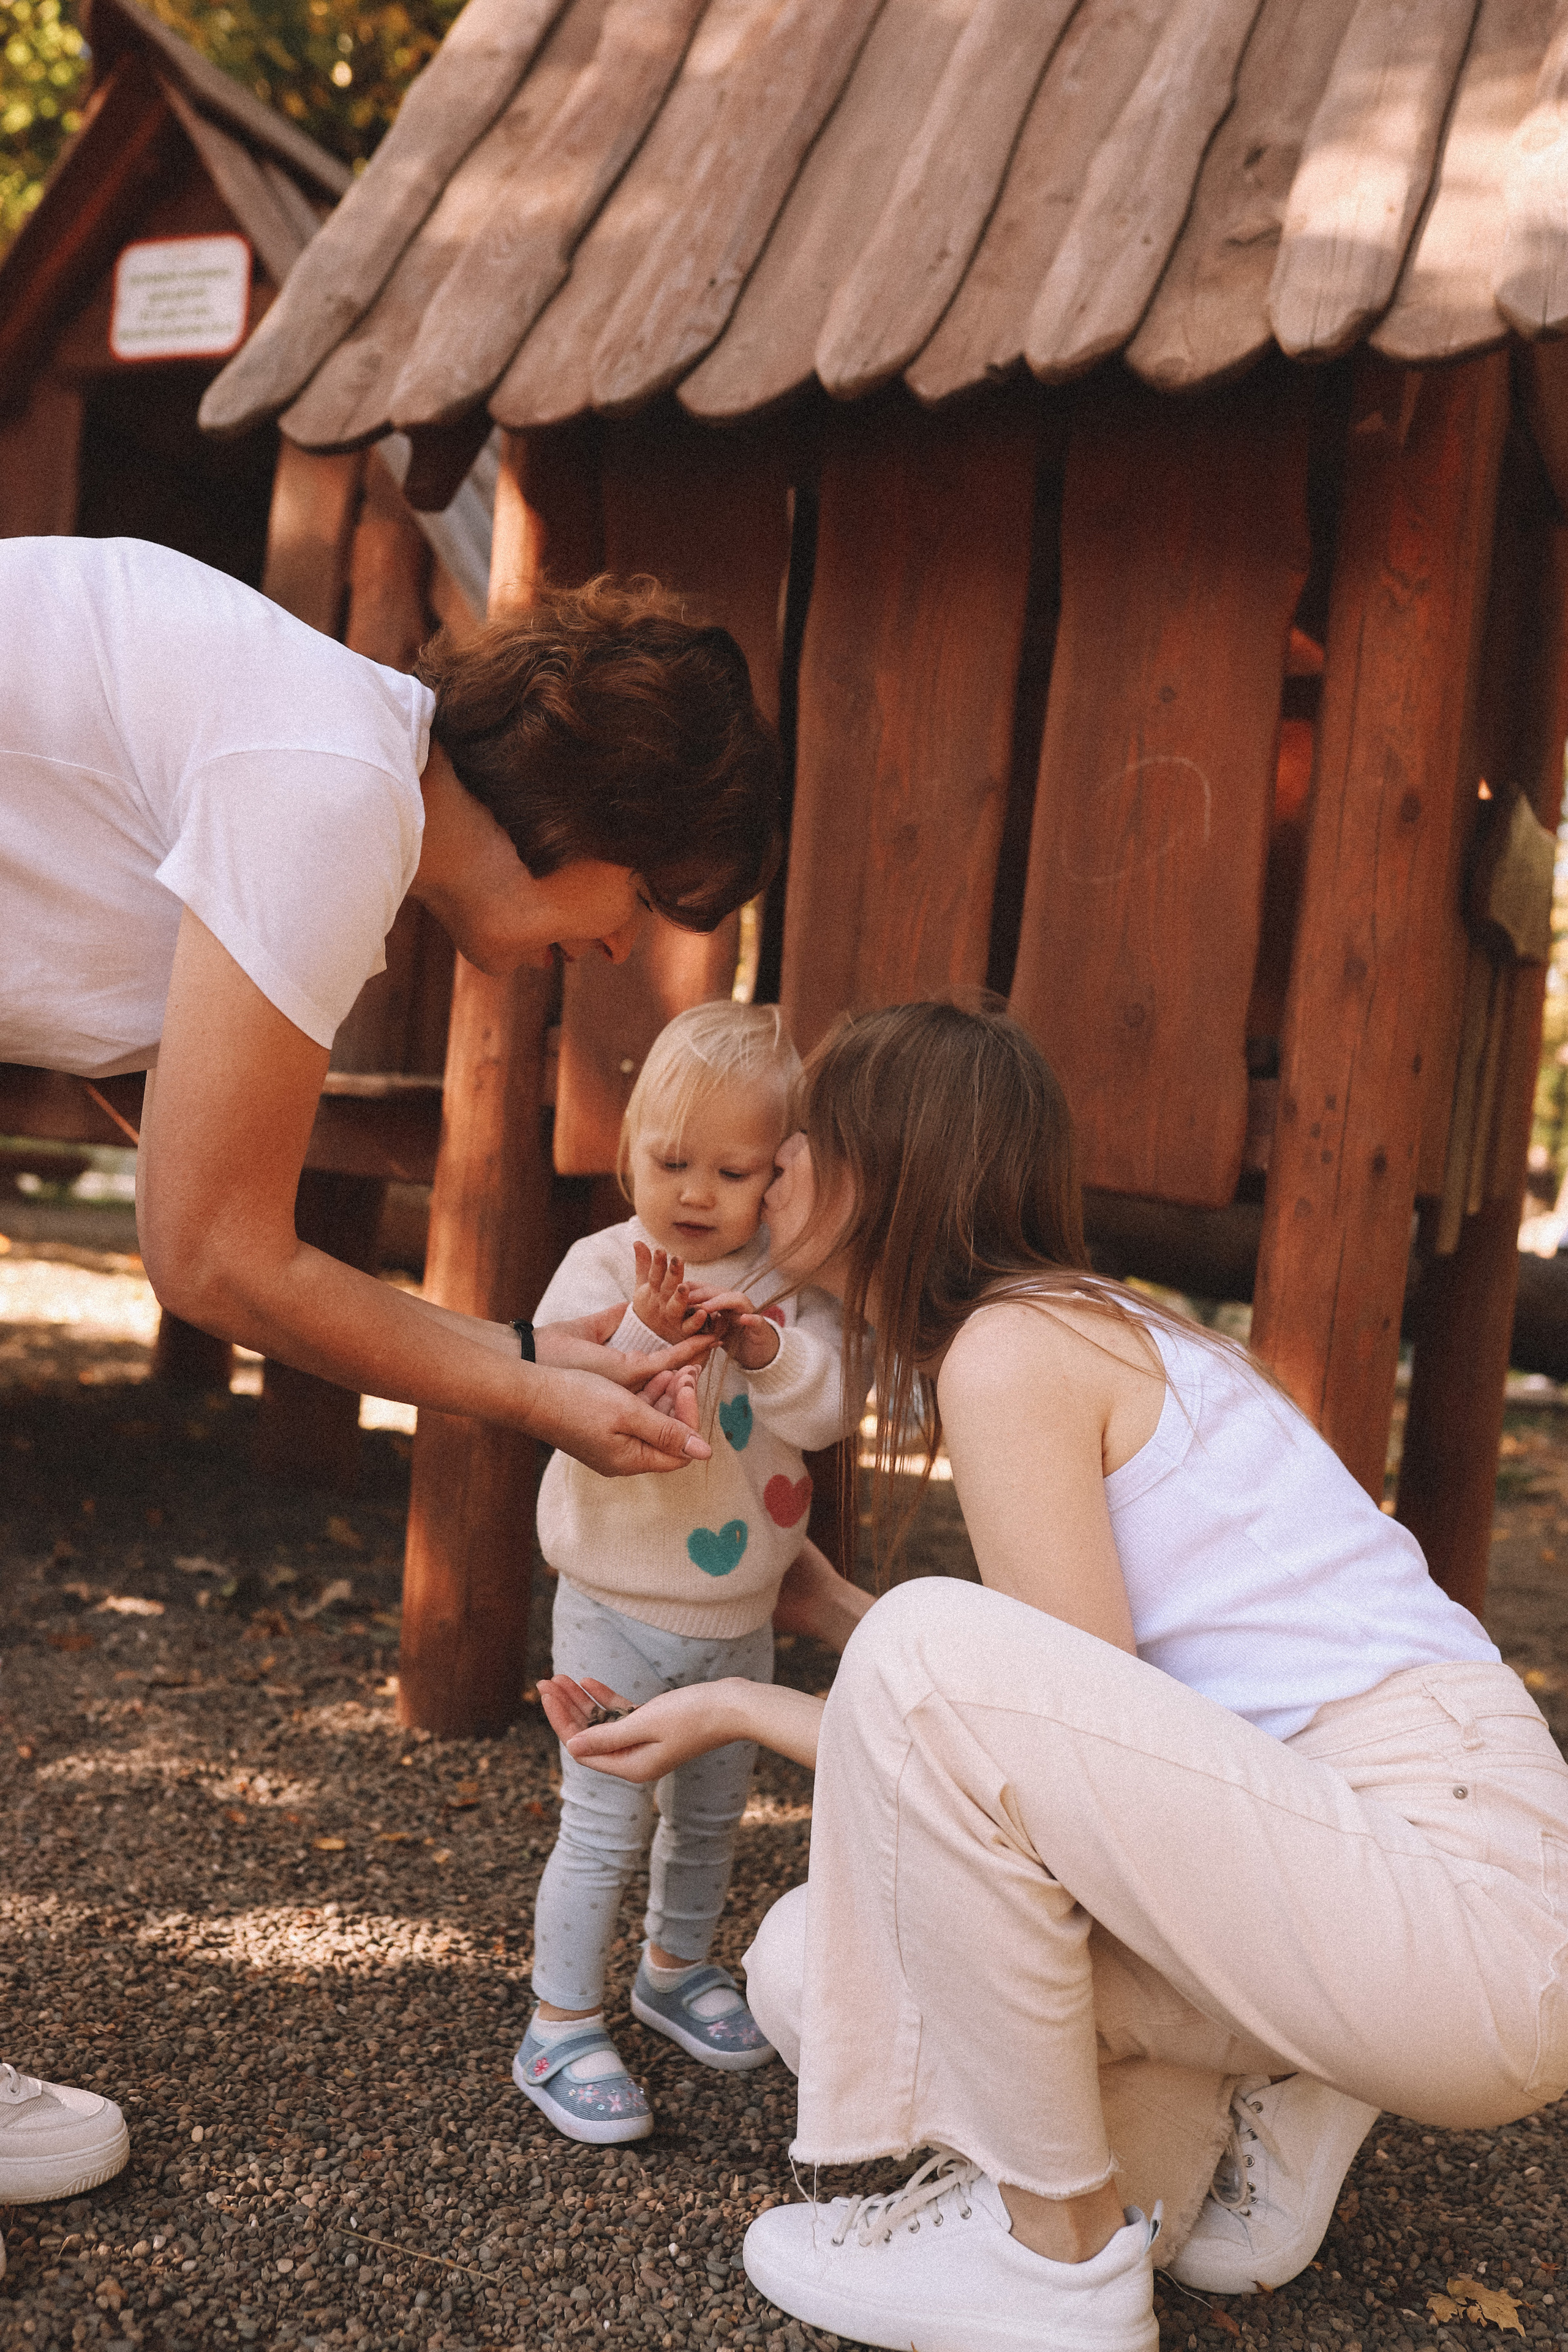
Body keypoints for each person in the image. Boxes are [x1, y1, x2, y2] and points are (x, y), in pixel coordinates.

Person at [541, 999, 1568, 2352]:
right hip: (1334, 1872)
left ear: (880, 1168)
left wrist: (739, 1699)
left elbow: (1020, 1742)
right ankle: (1270, 2075)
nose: (771, 1167)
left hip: (1453, 1889)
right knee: (803, 1965)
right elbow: (1096, 1730)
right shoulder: (1071, 1330)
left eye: (800, 1145)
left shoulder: (1013, 1347)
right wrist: (835, 1611)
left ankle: (1053, 2266)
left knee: (924, 1637)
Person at [0, 537, 780, 2207]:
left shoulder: (323, 748)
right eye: (641, 901)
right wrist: (526, 1396)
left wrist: (524, 1343)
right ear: (584, 821)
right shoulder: (333, 784)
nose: (619, 944)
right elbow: (209, 1258)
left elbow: (196, 1175)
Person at [516, 1003, 863, 2144]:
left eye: (734, 1169)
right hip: (616, 1602)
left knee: (713, 1817)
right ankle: (559, 2021)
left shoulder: (789, 1284)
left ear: (781, 1176)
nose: (699, 1193)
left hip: (740, 1608)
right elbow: (562, 1400)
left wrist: (760, 1345)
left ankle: (676, 1967)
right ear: (631, 1150)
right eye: (673, 1162)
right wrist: (634, 1338)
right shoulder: (599, 1264)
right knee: (605, 1819)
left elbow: (822, 1413)